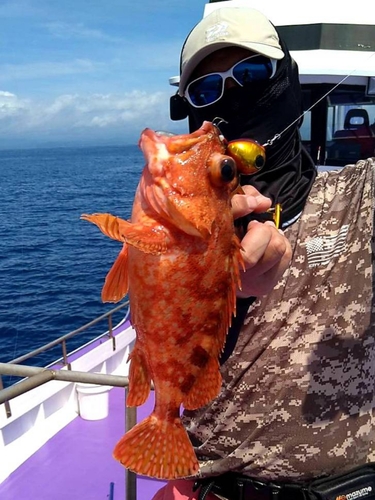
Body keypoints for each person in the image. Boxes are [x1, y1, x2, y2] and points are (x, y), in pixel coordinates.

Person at [153, 5, 375, 500]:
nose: (233, 95)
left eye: (252, 73)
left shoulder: (361, 196)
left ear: (287, 81)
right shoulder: (174, 231)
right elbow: (156, 336)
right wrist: (218, 280)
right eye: (207, 89)